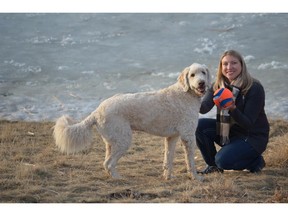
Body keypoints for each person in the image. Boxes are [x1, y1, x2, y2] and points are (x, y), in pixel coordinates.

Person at [196, 49, 270, 174]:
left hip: (252, 137)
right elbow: (203, 109)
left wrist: (232, 108)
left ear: (241, 65)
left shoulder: (253, 87)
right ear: (221, 67)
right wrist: (194, 93)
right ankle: (213, 166)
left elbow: (248, 123)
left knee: (223, 161)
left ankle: (256, 162)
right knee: (198, 125)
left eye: (234, 63)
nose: (229, 67)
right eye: (225, 64)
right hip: (229, 133)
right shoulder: (217, 86)